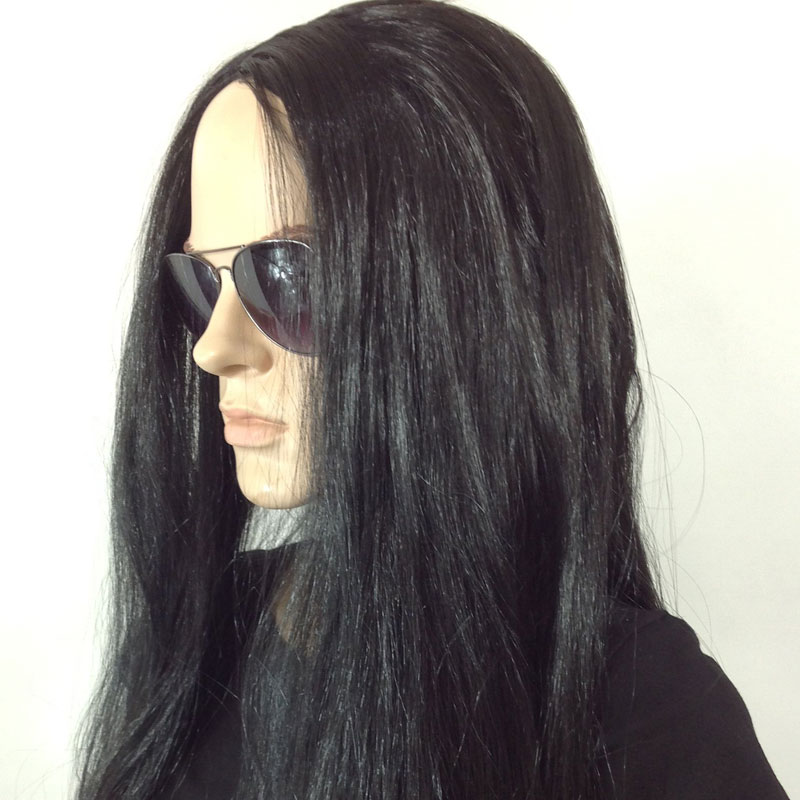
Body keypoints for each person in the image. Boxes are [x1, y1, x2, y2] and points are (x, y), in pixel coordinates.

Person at [73, 1, 789, 798]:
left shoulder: (644, 715)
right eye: (203, 281)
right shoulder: (208, 643)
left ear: (469, 301)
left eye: (291, 275)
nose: (213, 348)